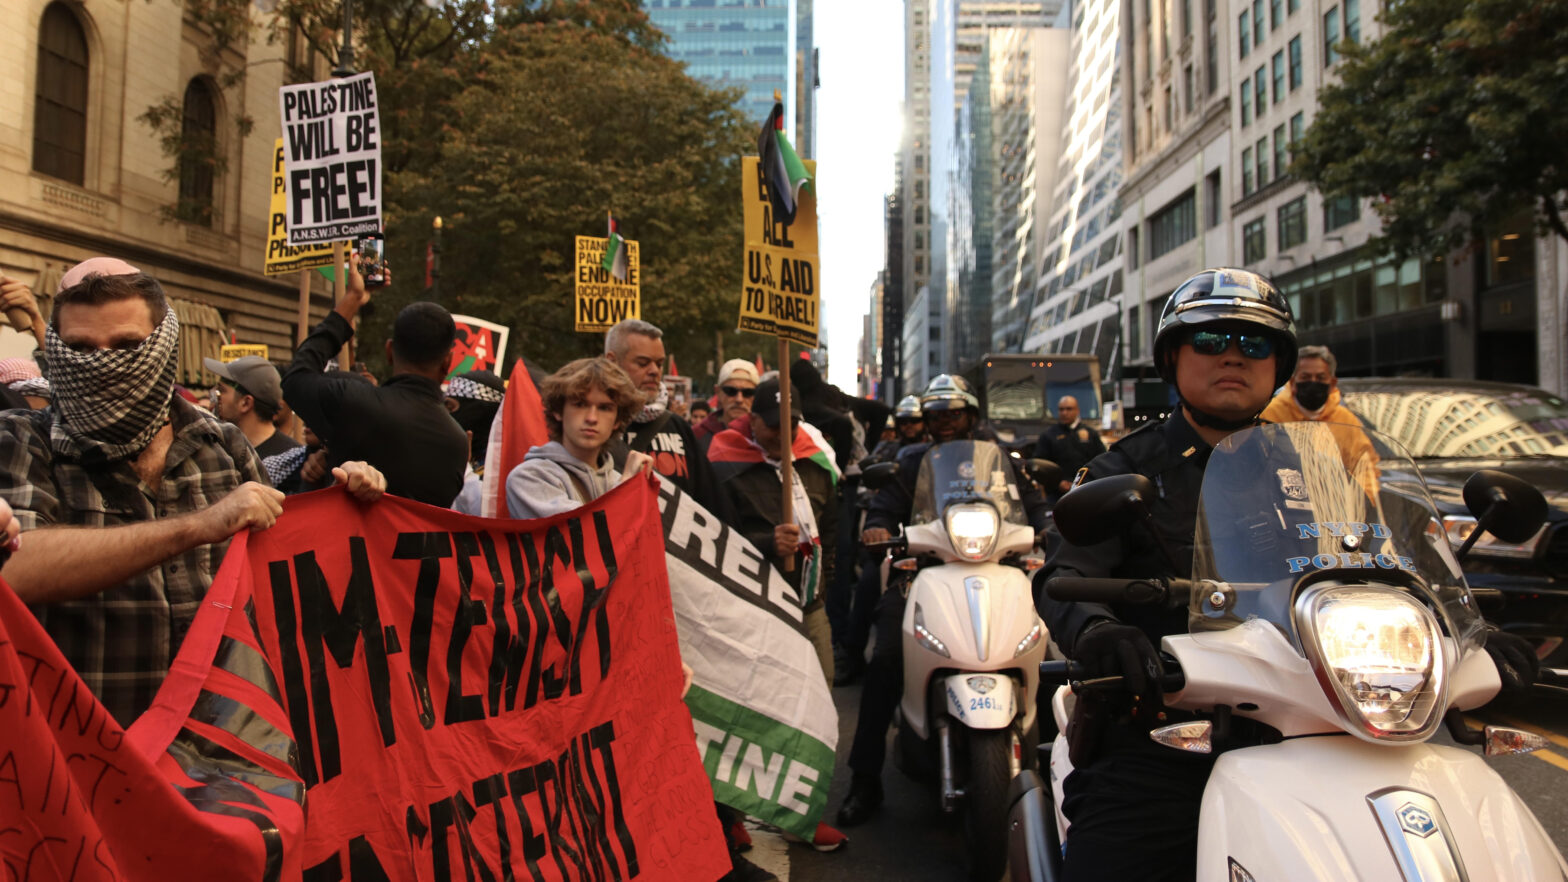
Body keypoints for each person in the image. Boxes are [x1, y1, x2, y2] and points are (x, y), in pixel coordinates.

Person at [0, 257, 386, 726]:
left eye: (126, 346)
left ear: (162, 349)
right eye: (81, 349)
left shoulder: (222, 444)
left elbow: (284, 572)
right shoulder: (20, 440)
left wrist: (348, 505)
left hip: (222, 763)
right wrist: (199, 527)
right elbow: (15, 566)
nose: (101, 367)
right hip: (83, 762)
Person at [837, 374, 1051, 826]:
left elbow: (1033, 502)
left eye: (953, 413)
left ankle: (1058, 769)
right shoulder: (911, 461)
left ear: (971, 416)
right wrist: (878, 526)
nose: (944, 421)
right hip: (925, 574)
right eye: (936, 414)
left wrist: (1052, 522)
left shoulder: (1003, 461)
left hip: (1001, 569)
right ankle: (864, 780)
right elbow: (884, 506)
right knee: (888, 659)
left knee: (1047, 650)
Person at [281, 259, 469, 507]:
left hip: (347, 545)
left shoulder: (353, 402)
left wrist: (352, 299)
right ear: (448, 362)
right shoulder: (456, 443)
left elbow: (296, 379)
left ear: (389, 351)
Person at [602, 319, 729, 516]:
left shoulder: (677, 426)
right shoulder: (595, 427)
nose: (654, 371)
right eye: (643, 363)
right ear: (612, 362)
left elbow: (714, 509)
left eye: (659, 364)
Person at [505, 358, 650, 519]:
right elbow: (582, 535)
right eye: (580, 404)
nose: (592, 418)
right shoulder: (528, 478)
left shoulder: (618, 479)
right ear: (558, 411)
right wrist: (626, 490)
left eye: (604, 408)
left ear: (617, 420)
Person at [1260, 343, 1378, 475]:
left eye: (1320, 378)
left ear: (1332, 384)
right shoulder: (1270, 415)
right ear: (1293, 383)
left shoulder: (1346, 421)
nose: (1313, 382)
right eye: (1306, 377)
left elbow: (1366, 469)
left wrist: (1365, 494)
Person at [206, 355, 302, 462]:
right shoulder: (219, 447)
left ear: (246, 403)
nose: (212, 395)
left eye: (221, 390)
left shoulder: (290, 462)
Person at [1033, 394, 1107, 501]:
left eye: (1069, 409)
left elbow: (1100, 461)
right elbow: (1040, 464)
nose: (1064, 413)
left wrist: (1084, 482)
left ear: (1077, 410)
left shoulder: (1091, 434)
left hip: (1086, 491)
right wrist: (1057, 483)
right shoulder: (1048, 435)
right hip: (1056, 495)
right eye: (1061, 409)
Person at [694, 358, 759, 447]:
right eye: (730, 391)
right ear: (717, 392)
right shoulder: (697, 435)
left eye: (748, 393)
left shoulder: (765, 436)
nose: (739, 399)